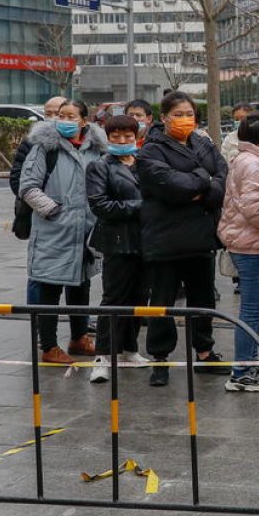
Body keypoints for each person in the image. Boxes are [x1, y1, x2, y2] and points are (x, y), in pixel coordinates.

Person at [137, 91, 230, 387]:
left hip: (201, 236)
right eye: (178, 114)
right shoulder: (151, 150)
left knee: (202, 297)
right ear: (164, 118)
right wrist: (204, 180)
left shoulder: (203, 143)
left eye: (189, 113)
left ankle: (204, 351)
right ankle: (160, 358)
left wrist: (202, 187)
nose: (185, 119)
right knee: (162, 301)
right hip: (166, 237)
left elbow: (223, 178)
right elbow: (169, 184)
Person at [19, 99, 107, 364]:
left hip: (86, 232)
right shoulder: (46, 147)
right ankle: (48, 347)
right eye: (60, 115)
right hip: (54, 231)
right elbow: (28, 187)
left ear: (84, 121)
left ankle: (79, 337)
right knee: (49, 288)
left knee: (81, 283)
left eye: (70, 116)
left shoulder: (96, 150)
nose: (64, 120)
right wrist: (54, 211)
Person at [216, 112, 259, 392]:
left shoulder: (250, 160)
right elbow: (253, 208)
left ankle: (251, 364)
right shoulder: (252, 164)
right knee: (251, 310)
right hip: (251, 245)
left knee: (254, 309)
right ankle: (243, 370)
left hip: (254, 243)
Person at [86, 114, 149, 383]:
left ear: (137, 137)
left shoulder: (145, 163)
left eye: (128, 136)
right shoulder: (100, 166)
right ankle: (102, 356)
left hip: (145, 241)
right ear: (108, 137)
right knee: (113, 298)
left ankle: (129, 349)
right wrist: (140, 207)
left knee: (139, 298)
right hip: (116, 241)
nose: (122, 141)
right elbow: (100, 204)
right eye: (116, 137)